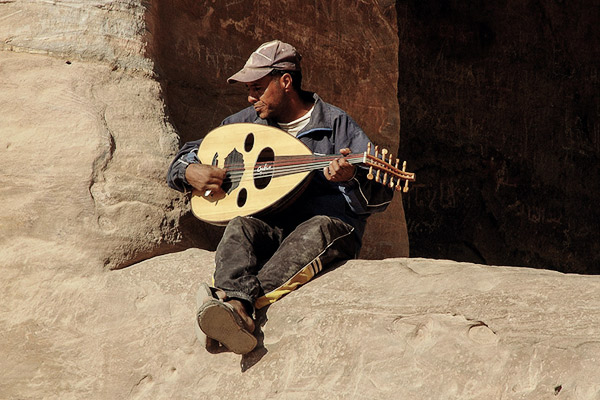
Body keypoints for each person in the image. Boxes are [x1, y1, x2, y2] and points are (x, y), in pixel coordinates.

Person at [167, 40, 394, 354]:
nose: (251, 97)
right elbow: (189, 154)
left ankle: (231, 305)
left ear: (285, 81)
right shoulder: (247, 122)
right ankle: (236, 313)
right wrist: (189, 170)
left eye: (258, 88)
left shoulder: (336, 125)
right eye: (249, 90)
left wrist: (351, 177)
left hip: (328, 227)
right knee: (241, 225)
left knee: (317, 229)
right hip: (273, 224)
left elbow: (380, 198)